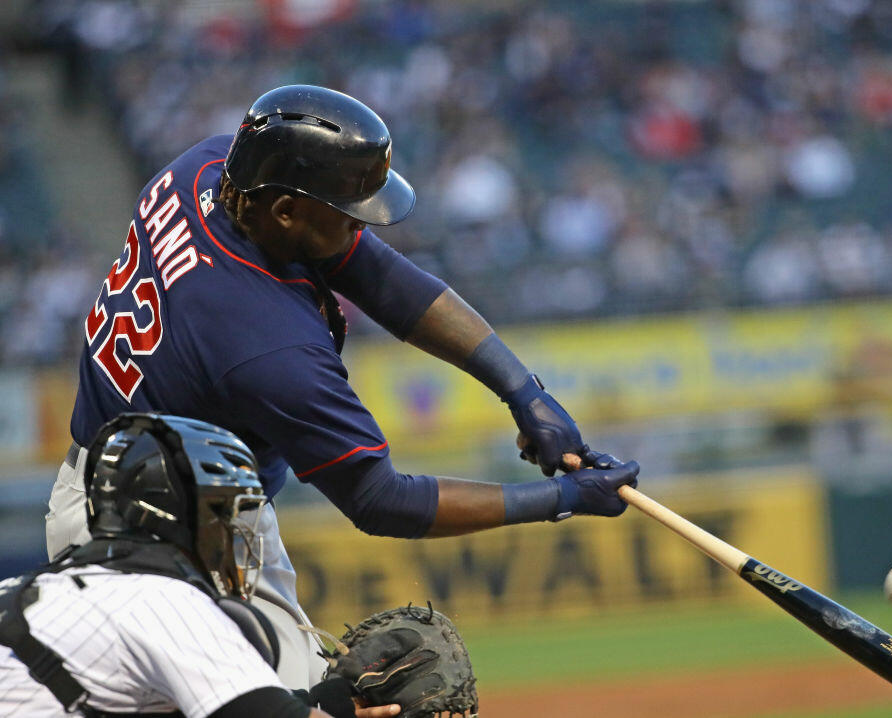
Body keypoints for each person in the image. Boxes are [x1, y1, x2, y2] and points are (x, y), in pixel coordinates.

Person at [45, 84, 641, 689]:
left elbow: (382, 277)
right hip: (155, 552)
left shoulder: (208, 167)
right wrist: (563, 499)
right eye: (347, 210)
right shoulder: (268, 344)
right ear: (286, 212)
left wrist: (522, 390)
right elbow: (381, 499)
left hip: (137, 497)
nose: (360, 224)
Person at [4, 412, 401, 718]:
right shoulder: (166, 600)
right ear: (187, 520)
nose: (231, 533)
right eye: (224, 516)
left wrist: (322, 702)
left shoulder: (52, 587)